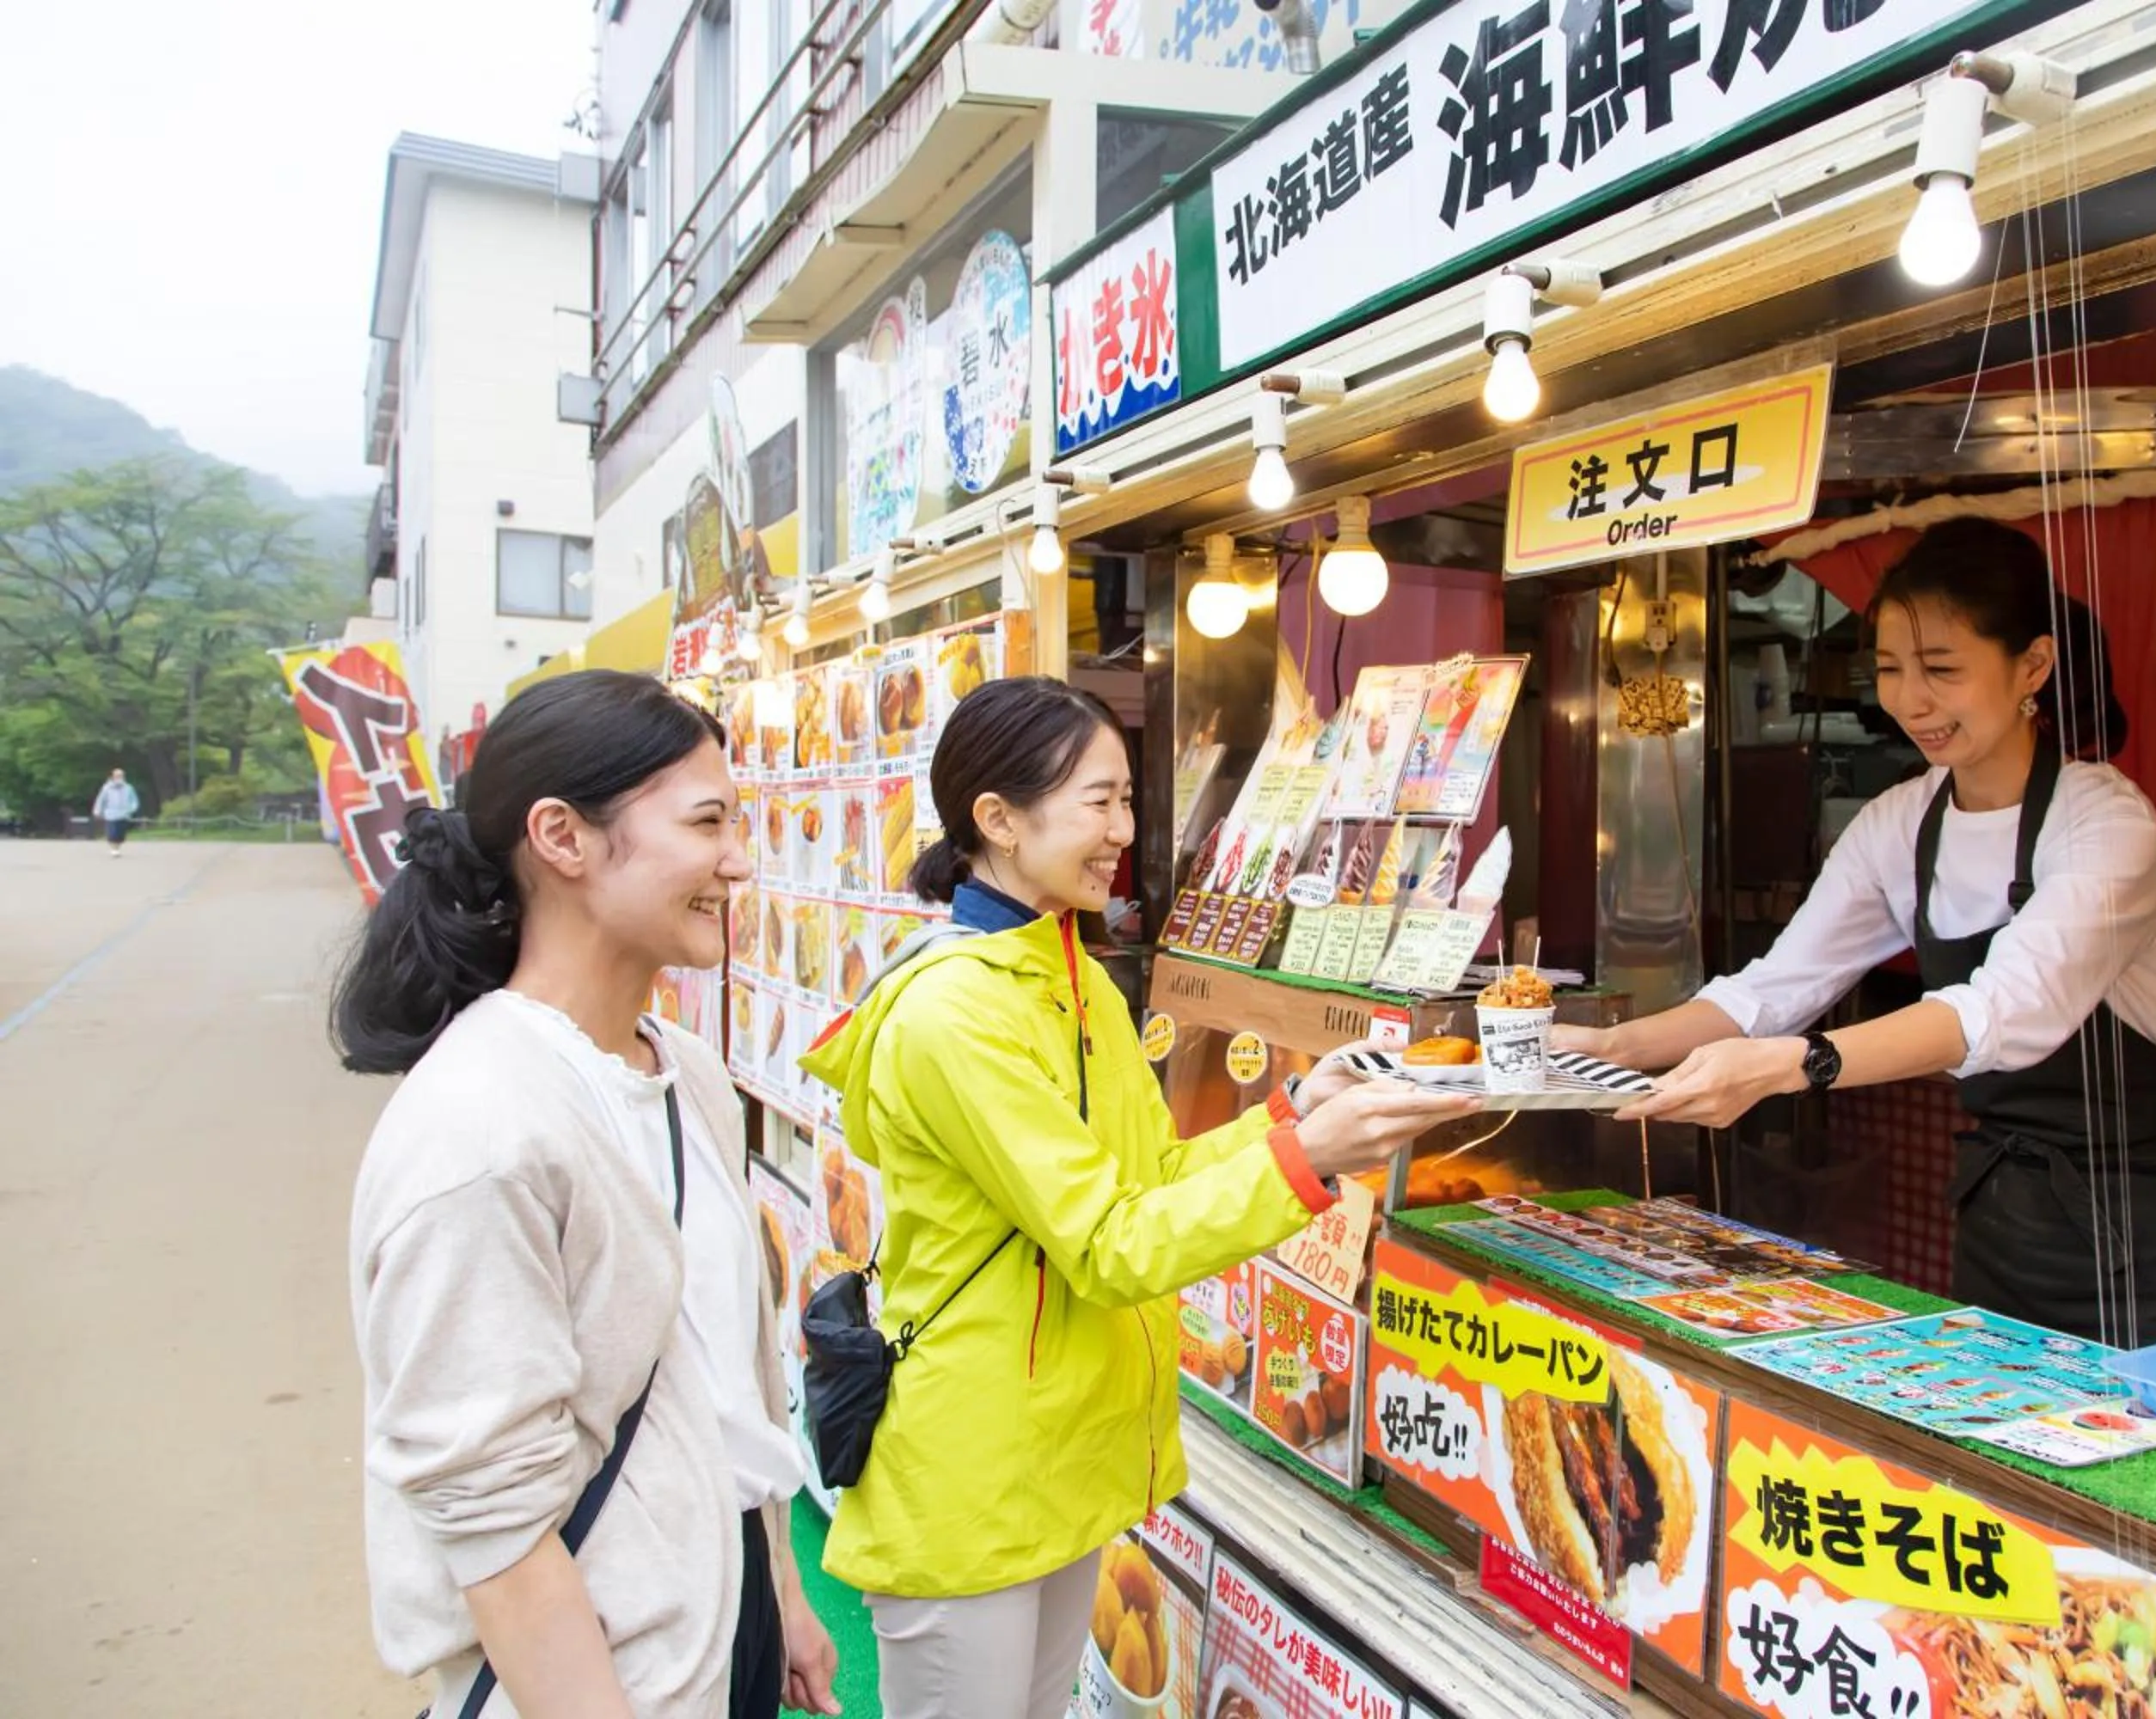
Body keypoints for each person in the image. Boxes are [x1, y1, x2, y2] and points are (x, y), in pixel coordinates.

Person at [801, 676, 1474, 1719]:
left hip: (1059, 1453)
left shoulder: (1068, 972)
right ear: (997, 818)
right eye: (1098, 802)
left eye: (1127, 800)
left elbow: (1149, 1178)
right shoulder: (956, 1011)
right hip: (972, 1466)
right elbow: (1111, 1241)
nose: (1124, 831)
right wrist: (1305, 1165)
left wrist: (1295, 1111)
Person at [1559, 521, 2156, 1349]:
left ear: (2032, 666)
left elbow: (2003, 1010)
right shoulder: (1901, 823)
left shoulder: (2106, 824)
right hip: (2004, 1225)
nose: (1912, 700)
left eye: (1943, 670)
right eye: (1891, 670)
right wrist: (1609, 1046)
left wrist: (1802, 1064)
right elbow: (1776, 988)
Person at [336, 670, 838, 1719]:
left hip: (720, 1618)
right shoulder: (478, 1129)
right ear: (562, 837)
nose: (739, 862)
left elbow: (717, 1375)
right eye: (708, 822)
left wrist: (779, 1590)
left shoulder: (689, 1070)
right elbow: (494, 1519)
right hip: (590, 1674)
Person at [93, 768, 139, 855]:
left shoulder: (129, 788)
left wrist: (132, 809)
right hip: (110, 814)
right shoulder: (107, 788)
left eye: (121, 775)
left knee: (120, 834)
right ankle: (114, 849)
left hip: (124, 815)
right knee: (112, 833)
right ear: (113, 777)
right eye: (117, 775)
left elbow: (134, 800)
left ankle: (117, 847)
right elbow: (101, 800)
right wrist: (97, 810)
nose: (119, 777)